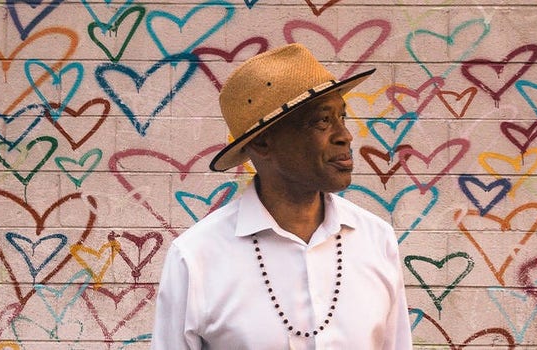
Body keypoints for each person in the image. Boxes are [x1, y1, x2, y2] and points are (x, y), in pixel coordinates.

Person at [151, 43, 413, 349]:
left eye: (342, 117)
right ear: (262, 143)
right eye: (322, 120)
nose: (345, 135)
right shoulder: (196, 257)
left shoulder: (376, 241)